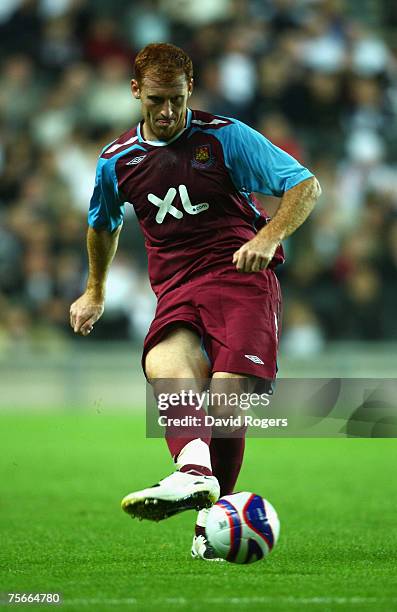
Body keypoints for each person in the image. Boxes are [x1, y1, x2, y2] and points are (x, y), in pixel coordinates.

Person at [69, 43, 321, 561]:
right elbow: (102, 224)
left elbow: (304, 185)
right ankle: (194, 474)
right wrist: (95, 289)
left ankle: (210, 512)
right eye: (157, 100)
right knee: (164, 361)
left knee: (227, 401)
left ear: (192, 91)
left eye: (178, 100)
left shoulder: (225, 138)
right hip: (177, 288)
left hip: (239, 278)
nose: (168, 113)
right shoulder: (116, 161)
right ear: (135, 91)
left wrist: (270, 235)